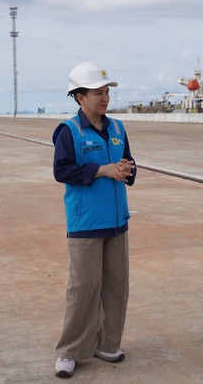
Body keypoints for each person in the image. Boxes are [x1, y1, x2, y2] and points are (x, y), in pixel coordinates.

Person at [52, 62, 137, 378]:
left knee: (116, 287)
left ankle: (107, 343)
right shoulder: (69, 131)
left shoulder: (117, 128)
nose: (104, 98)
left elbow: (128, 162)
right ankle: (69, 352)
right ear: (79, 97)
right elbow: (62, 171)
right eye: (97, 93)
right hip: (85, 222)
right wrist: (102, 170)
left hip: (117, 221)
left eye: (106, 92)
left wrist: (127, 170)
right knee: (83, 288)